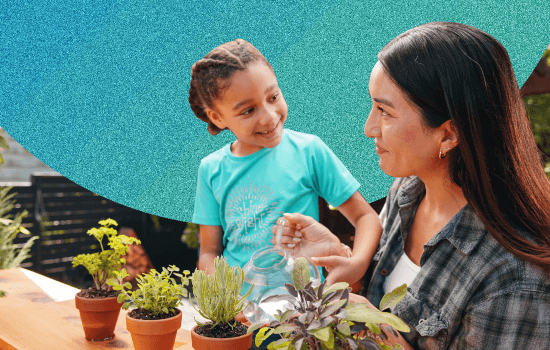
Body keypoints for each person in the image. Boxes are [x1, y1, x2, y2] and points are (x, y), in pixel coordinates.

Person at [274, 22, 550, 349]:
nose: (368, 128)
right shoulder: (408, 191)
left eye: (385, 112)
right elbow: (380, 297)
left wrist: (377, 332)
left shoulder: (513, 279)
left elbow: (376, 325)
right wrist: (341, 259)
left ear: (448, 134)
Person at [188, 39, 382, 287]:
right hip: (241, 315)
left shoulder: (308, 150)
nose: (269, 117)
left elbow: (366, 217)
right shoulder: (210, 169)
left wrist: (356, 264)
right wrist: (229, 299)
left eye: (273, 96)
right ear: (218, 117)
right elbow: (209, 253)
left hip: (302, 312)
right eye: (248, 110)